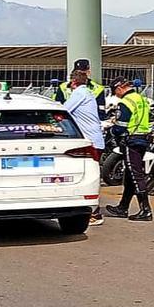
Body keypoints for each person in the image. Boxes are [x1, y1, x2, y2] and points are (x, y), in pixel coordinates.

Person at [104, 77, 153, 221]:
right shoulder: (140, 98)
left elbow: (121, 126)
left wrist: (111, 131)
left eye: (115, 92)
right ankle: (123, 207)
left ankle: (146, 210)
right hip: (143, 138)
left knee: (136, 175)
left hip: (131, 140)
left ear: (119, 88)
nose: (115, 95)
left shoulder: (125, 102)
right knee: (131, 174)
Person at [62, 69, 105, 226]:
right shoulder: (86, 93)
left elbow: (63, 111)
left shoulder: (79, 94)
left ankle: (95, 213)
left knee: (89, 177)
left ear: (73, 82)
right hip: (92, 140)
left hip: (90, 142)